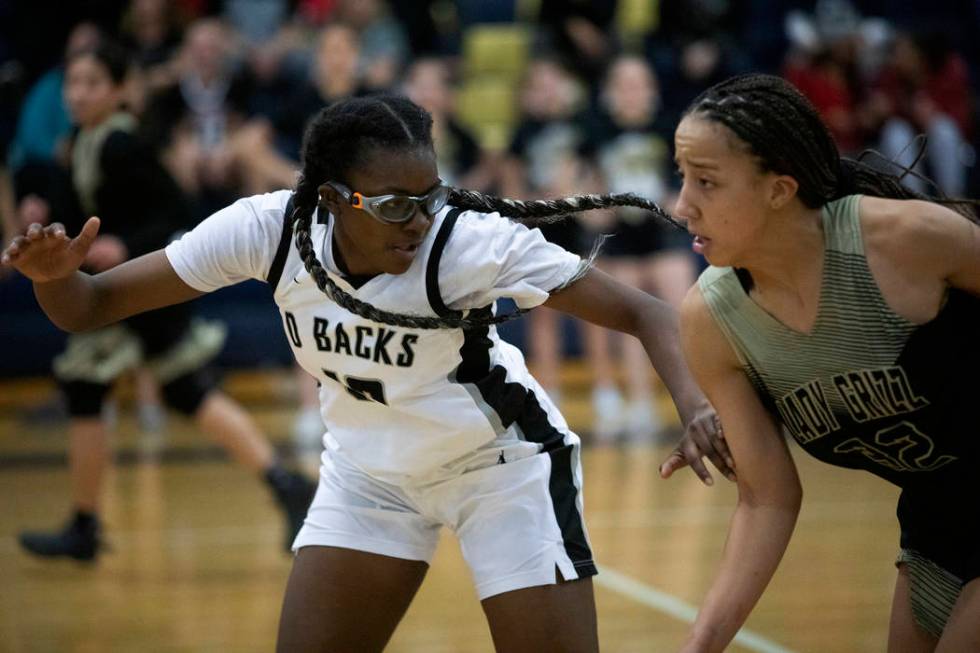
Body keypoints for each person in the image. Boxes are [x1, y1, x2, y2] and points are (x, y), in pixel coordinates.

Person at [2, 94, 731, 652]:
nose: (417, 219)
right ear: (329, 199)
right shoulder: (267, 229)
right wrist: (50, 278)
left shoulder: (467, 243)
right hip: (369, 477)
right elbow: (90, 305)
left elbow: (650, 314)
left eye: (430, 195)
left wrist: (696, 404)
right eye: (392, 205)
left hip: (499, 469)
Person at [661, 73, 980, 651]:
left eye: (706, 182)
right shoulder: (712, 319)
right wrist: (699, 646)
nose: (682, 205)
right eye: (683, 178)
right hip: (938, 520)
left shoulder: (903, 240)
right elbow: (766, 498)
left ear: (779, 190)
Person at [14, 42, 315, 561]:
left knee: (103, 390)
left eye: (91, 83)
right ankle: (284, 483)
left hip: (139, 292)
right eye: (72, 84)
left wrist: (123, 247)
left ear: (119, 90)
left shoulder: (123, 145)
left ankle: (86, 525)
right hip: (120, 292)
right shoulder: (80, 143)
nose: (78, 94)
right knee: (183, 393)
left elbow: (172, 212)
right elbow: (85, 214)